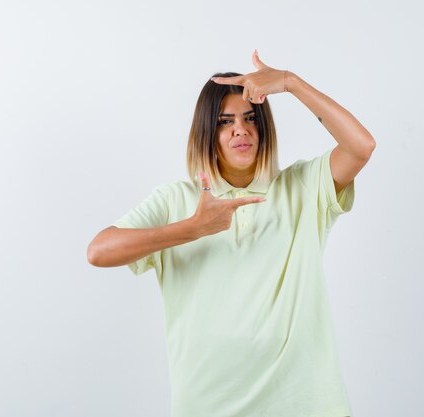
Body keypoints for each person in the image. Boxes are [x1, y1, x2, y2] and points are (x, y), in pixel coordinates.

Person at [87, 49, 375, 417]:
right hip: (208, 405)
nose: (241, 129)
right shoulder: (176, 199)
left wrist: (291, 82)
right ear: (207, 133)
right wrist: (193, 228)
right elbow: (99, 251)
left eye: (250, 118)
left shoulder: (302, 187)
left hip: (305, 404)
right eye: (225, 121)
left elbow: (360, 146)